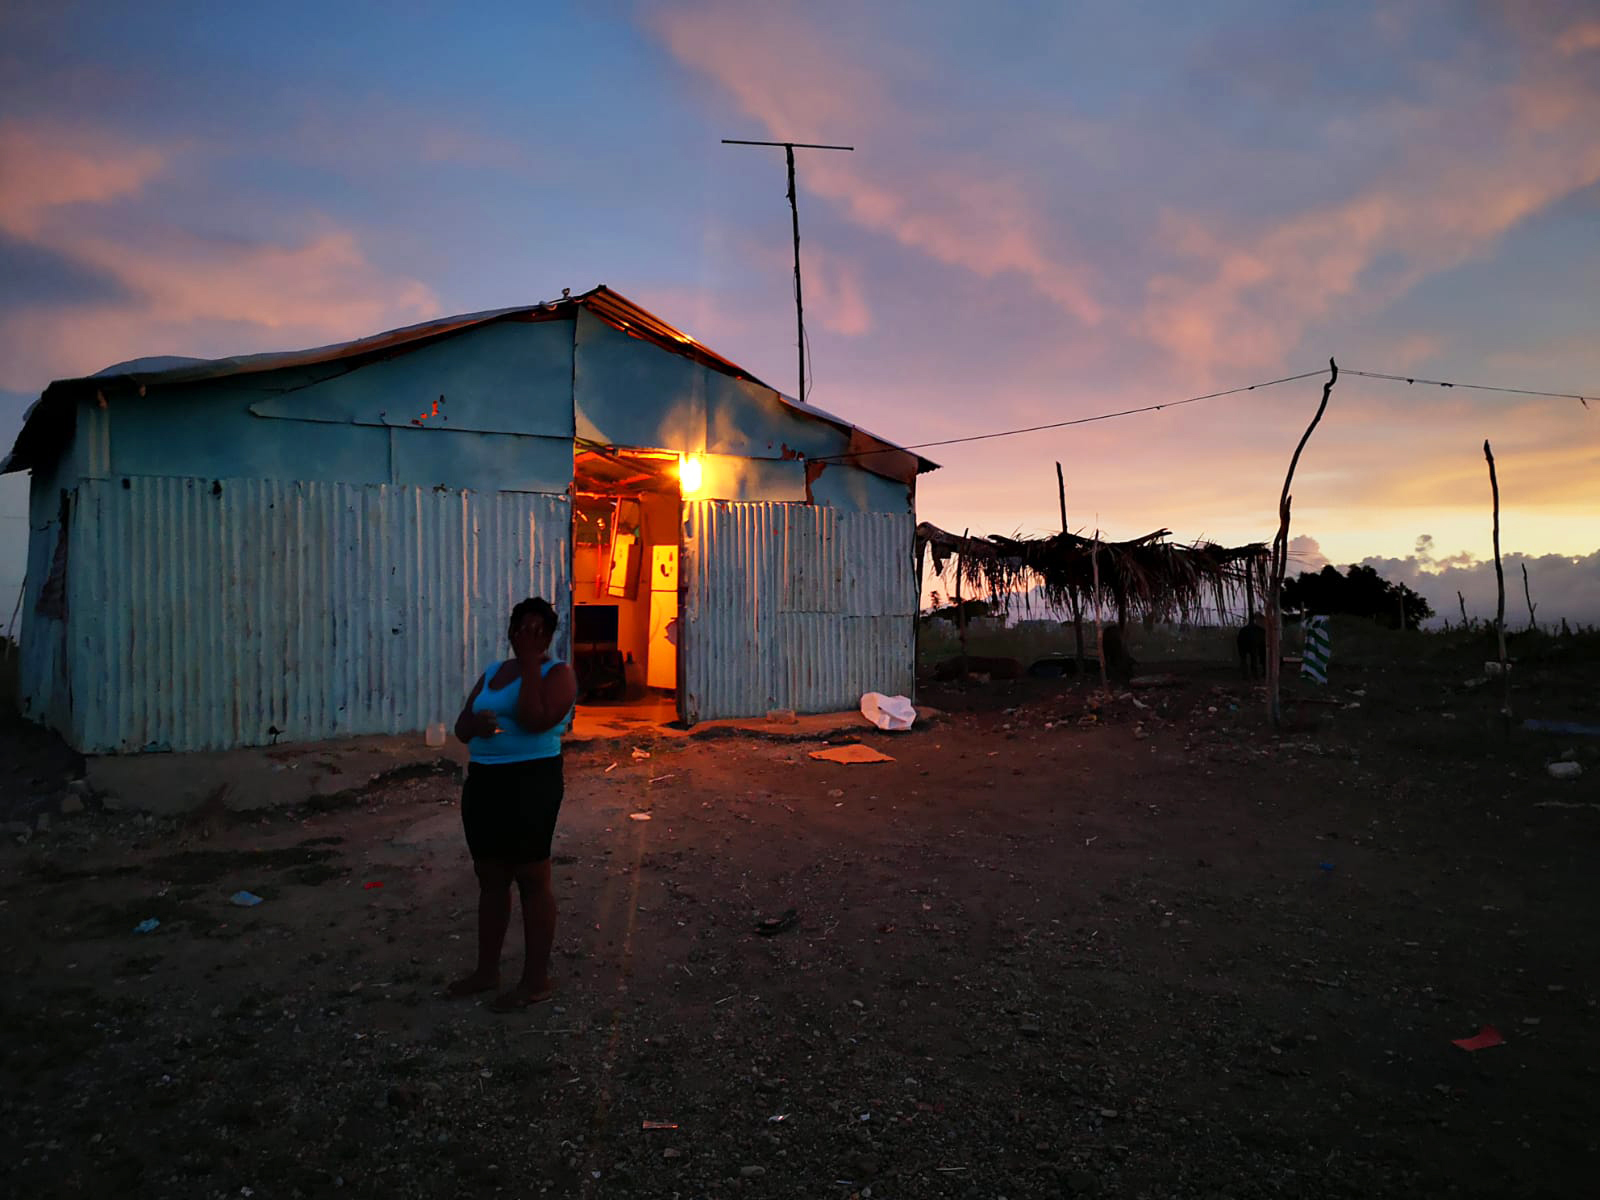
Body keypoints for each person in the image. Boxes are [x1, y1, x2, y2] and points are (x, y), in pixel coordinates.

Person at [447, 597, 577, 1011]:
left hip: (532, 781)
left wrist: (530, 663)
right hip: (485, 782)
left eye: (539, 631)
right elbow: (461, 728)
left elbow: (534, 718)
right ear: (511, 632)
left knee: (532, 878)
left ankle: (536, 980)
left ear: (549, 637)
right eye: (524, 629)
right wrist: (477, 724)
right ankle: (487, 972)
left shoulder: (558, 674)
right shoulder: (492, 673)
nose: (529, 636)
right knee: (490, 876)